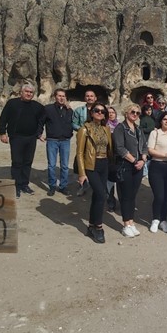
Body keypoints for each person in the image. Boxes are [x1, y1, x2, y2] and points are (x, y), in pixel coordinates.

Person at [0, 83, 45, 198]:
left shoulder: (37, 106)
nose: (29, 94)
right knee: (17, 162)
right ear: (21, 92)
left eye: (31, 92)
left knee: (28, 162)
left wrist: (39, 133)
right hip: (16, 137)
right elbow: (3, 119)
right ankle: (16, 186)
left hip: (31, 138)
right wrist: (2, 133)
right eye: (27, 92)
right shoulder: (12, 104)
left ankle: (24, 184)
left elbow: (42, 119)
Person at [76, 103, 113, 243]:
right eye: (96, 110)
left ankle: (91, 226)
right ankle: (98, 227)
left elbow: (110, 149)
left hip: (104, 164)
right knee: (101, 194)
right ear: (91, 113)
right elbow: (79, 153)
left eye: (102, 111)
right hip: (91, 165)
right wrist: (81, 173)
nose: (99, 113)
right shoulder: (84, 129)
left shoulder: (106, 129)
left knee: (98, 196)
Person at [113, 104, 148, 238]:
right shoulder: (120, 128)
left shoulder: (138, 129)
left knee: (133, 195)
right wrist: (134, 161)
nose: (135, 114)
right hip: (125, 165)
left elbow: (144, 146)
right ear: (126, 112)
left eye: (138, 113)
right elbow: (120, 148)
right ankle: (126, 224)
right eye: (133, 112)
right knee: (126, 195)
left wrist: (143, 160)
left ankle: (131, 222)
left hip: (138, 166)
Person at [40, 88, 73, 196]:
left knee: (64, 165)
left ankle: (63, 186)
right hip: (52, 140)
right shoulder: (48, 109)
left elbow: (72, 123)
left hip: (65, 140)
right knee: (51, 165)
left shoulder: (69, 110)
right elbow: (41, 121)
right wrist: (39, 134)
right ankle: (52, 186)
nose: (61, 98)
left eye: (63, 96)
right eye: (59, 95)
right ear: (55, 97)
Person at [147, 112, 167, 233]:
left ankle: (163, 219)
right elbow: (150, 150)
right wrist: (165, 155)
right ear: (161, 121)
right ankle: (155, 219)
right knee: (159, 196)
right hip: (157, 166)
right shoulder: (155, 133)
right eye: (165, 119)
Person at [72, 89, 97, 196]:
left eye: (92, 96)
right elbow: (73, 124)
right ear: (84, 98)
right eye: (87, 96)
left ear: (95, 98)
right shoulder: (79, 110)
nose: (89, 98)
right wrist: (84, 130)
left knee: (96, 161)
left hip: (96, 140)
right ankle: (82, 185)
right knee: (80, 160)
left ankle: (95, 185)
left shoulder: (100, 110)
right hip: (83, 138)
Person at [105, 106, 119, 211]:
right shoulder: (104, 126)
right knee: (109, 180)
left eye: (112, 112)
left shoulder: (120, 126)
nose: (111, 114)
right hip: (107, 156)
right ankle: (111, 202)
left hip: (118, 156)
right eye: (109, 112)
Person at [139, 105, 156, 176]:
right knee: (146, 154)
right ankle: (145, 170)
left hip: (152, 138)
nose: (149, 111)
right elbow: (141, 129)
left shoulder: (152, 118)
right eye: (147, 110)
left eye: (150, 110)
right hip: (146, 138)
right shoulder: (143, 119)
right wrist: (151, 129)